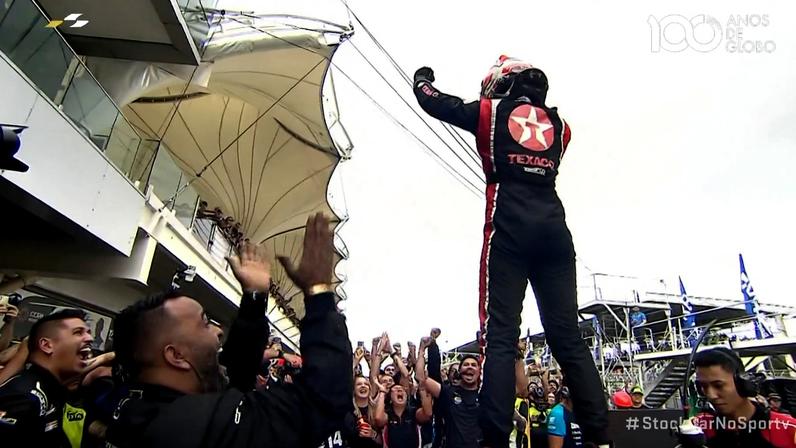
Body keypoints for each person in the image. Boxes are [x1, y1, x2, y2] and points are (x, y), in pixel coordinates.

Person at [413, 57, 608, 448]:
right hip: (555, 233)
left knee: (500, 337)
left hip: (508, 231)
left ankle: (495, 438)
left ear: (501, 84)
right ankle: (602, 436)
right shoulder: (560, 127)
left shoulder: (492, 111)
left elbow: (435, 102)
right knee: (567, 336)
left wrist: (422, 79)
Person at [105, 212, 354, 448]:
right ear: (176, 356)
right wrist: (318, 293)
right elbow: (322, 398)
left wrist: (255, 298)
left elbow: (236, 374)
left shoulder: (132, 409)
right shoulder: (197, 428)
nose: (217, 332)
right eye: (204, 322)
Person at [0, 309, 94, 446]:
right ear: (46, 345)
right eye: (78, 332)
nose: (90, 339)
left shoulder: (52, 392)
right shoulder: (24, 396)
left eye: (88, 333)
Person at [690, 347, 796, 447]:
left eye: (718, 385)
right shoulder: (698, 427)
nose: (711, 395)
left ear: (743, 384)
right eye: (703, 386)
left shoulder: (789, 429)